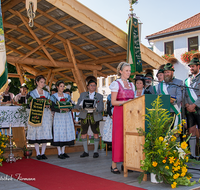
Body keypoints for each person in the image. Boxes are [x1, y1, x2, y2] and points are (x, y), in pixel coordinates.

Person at [109, 62, 135, 174]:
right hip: (119, 112)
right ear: (120, 71)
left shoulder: (132, 85)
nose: (129, 73)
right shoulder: (116, 84)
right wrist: (125, 102)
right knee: (118, 137)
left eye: (129, 71)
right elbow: (113, 101)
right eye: (126, 71)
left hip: (130, 114)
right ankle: (114, 164)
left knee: (128, 137)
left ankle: (126, 162)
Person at [75, 76, 104, 159]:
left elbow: (102, 108)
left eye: (94, 85)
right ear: (88, 86)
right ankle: (85, 151)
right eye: (91, 85)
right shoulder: (83, 94)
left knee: (96, 133)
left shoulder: (99, 96)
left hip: (94, 115)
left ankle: (95, 151)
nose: (93, 87)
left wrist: (95, 108)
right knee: (83, 133)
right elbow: (77, 105)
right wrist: (81, 106)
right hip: (85, 115)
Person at [26, 75, 52, 160]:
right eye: (41, 82)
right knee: (36, 133)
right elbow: (28, 105)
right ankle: (37, 153)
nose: (42, 84)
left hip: (45, 115)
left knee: (45, 132)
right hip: (36, 113)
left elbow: (50, 104)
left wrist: (48, 104)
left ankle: (43, 153)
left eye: (44, 82)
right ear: (37, 82)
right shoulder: (32, 93)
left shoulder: (47, 93)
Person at [50, 81, 75, 159]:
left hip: (66, 116)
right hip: (58, 116)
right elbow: (52, 107)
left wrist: (68, 109)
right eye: (61, 86)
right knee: (59, 132)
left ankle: (63, 151)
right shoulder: (53, 96)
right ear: (57, 87)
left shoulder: (67, 96)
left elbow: (71, 105)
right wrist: (60, 110)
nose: (62, 88)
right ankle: (59, 152)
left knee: (65, 132)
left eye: (63, 86)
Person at [157, 63, 183, 127]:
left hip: (174, 110)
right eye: (165, 72)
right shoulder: (161, 84)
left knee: (174, 132)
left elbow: (180, 96)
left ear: (172, 72)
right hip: (163, 111)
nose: (166, 74)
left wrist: (173, 101)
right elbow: (157, 96)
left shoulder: (178, 82)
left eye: (168, 72)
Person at [185, 57, 200, 160]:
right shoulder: (187, 80)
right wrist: (187, 105)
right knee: (191, 131)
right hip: (189, 109)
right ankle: (193, 155)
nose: (191, 68)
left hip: (198, 108)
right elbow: (185, 94)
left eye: (193, 66)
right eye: (190, 66)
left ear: (198, 66)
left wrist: (194, 105)